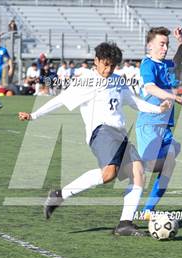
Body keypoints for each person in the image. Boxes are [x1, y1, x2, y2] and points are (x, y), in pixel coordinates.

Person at [18, 42, 171, 236]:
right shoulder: (86, 81)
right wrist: (34, 115)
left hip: (120, 133)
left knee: (138, 172)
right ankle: (60, 195)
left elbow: (135, 103)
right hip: (101, 132)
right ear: (96, 61)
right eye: (105, 64)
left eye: (112, 66)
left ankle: (125, 223)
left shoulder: (119, 81)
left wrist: (159, 109)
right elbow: (60, 100)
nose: (108, 70)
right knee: (109, 174)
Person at [136, 26, 182, 216]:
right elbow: (151, 88)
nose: (165, 48)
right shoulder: (148, 63)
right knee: (149, 167)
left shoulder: (164, 64)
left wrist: (181, 43)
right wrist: (178, 98)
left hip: (165, 126)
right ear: (149, 46)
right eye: (161, 44)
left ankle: (148, 210)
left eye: (167, 45)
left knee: (171, 159)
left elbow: (176, 61)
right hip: (149, 125)